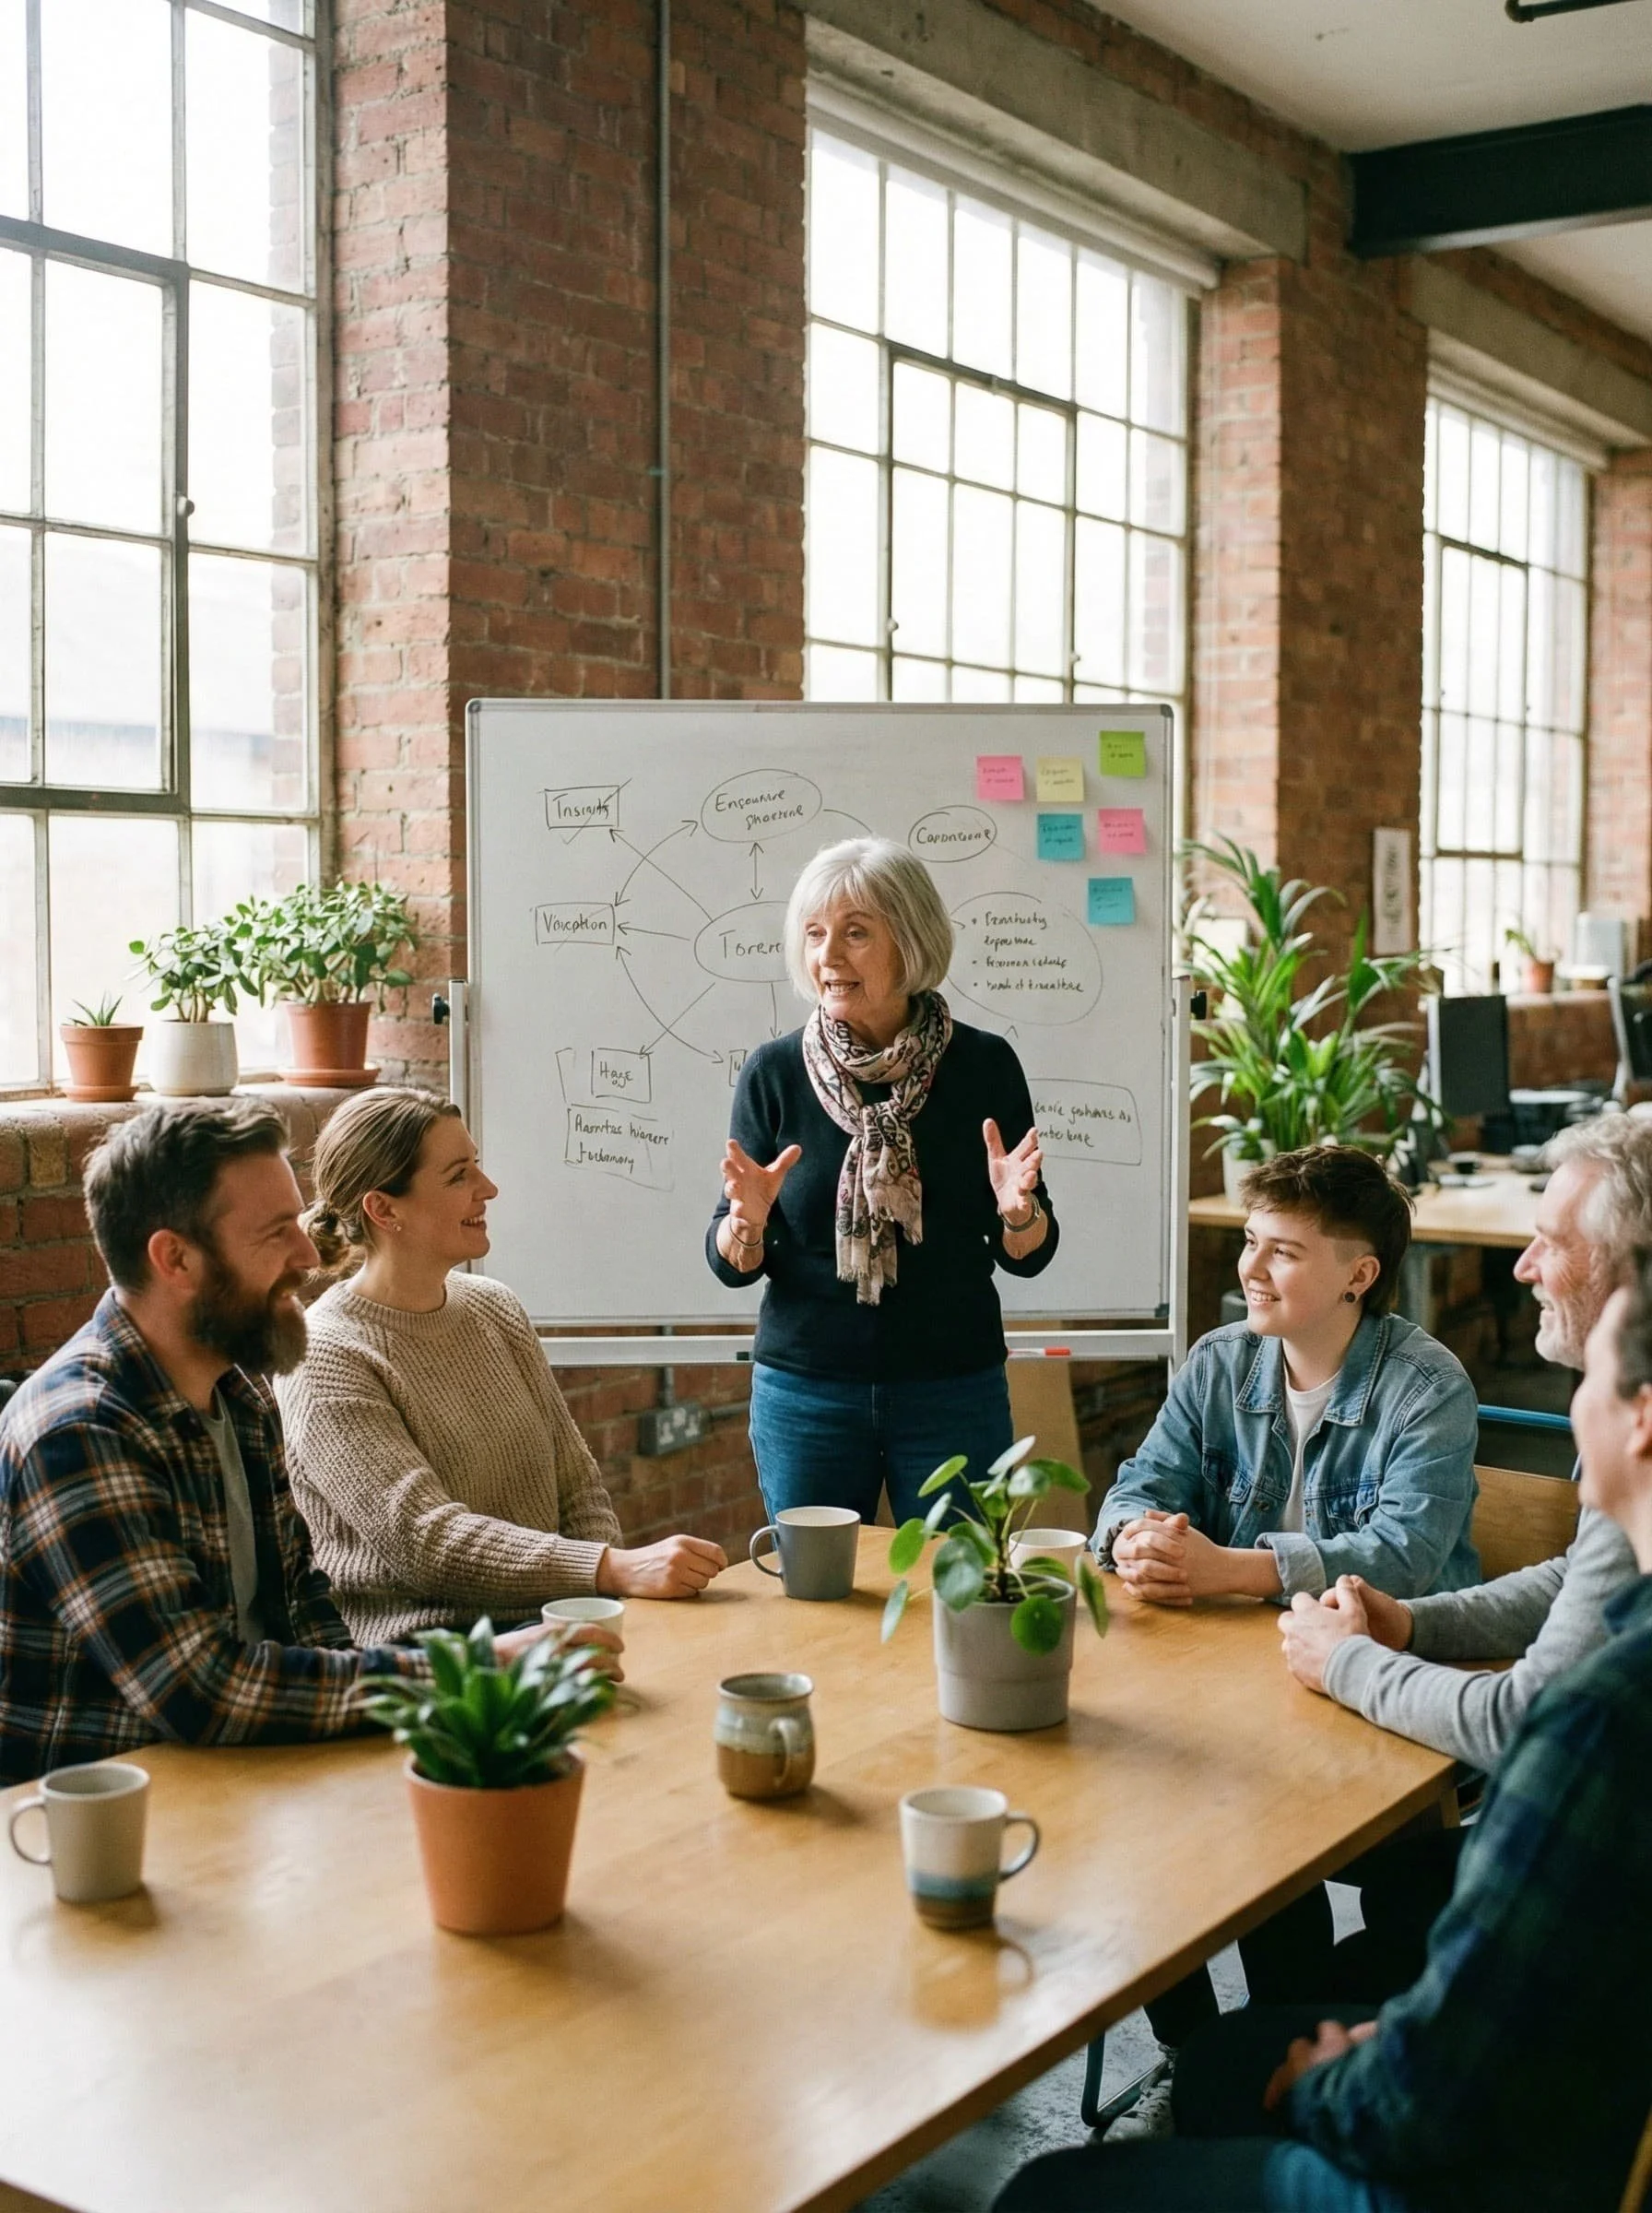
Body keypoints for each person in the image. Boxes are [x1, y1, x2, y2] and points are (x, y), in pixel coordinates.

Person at [994, 1246, 1652, 2213]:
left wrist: (1326, 2076)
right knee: (1224, 2055)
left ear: (1638, 1426)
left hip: (1509, 2163)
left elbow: (1428, 2097)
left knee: (1045, 2195)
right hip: (1575, 2077)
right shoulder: (1613, 1672)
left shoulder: (1590, 1723)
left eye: (1590, 1380)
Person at [0, 1100, 585, 1787]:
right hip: (107, 1818)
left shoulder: (239, 1393)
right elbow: (202, 1690)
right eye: (276, 1233)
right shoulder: (81, 1432)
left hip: (248, 1771)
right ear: (176, 1259)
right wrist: (475, 1668)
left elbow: (305, 1609)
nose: (310, 1255)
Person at [1090, 1143, 1479, 2127]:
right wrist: (1140, 1536)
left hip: (1372, 1682)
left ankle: (1273, 2047)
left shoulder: (1425, 1385)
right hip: (1226, 1673)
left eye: (1282, 1252)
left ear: (1358, 1274)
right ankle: (1199, 2048)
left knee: (1260, 1822)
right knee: (1136, 1805)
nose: (1250, 1270)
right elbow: (1139, 1486)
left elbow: (1407, 1554)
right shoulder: (1221, 1362)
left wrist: (1236, 1568)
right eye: (1250, 1245)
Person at [1261, 1114, 1645, 2006]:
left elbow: (1522, 1722)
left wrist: (1347, 1662)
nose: (1520, 1268)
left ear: (1631, 1272)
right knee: (1386, 1892)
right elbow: (1579, 1577)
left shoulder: (1632, 1424)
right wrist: (1412, 1621)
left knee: (1243, 2057)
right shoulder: (1631, 1406)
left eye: (1549, 1244)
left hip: (1605, 1904)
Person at [276, 1087, 726, 1646]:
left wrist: (590, 1605)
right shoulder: (324, 1355)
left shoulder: (493, 1306)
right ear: (384, 1209)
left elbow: (577, 1485)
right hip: (431, 1667)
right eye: (459, 1175)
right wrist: (608, 1567)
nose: (488, 1190)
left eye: (478, 1167)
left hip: (555, 1628)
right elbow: (426, 1542)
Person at [706, 835, 1058, 1524]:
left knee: (964, 1595)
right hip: (806, 1391)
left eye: (855, 933)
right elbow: (733, 1265)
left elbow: (1031, 1255)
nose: (827, 957)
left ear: (912, 940)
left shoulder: (984, 1067)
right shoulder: (774, 1074)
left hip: (953, 1386)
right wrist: (743, 1228)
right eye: (814, 934)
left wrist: (1019, 1212)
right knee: (817, 1606)